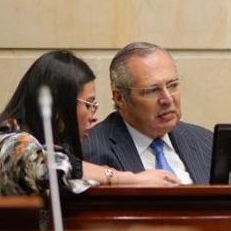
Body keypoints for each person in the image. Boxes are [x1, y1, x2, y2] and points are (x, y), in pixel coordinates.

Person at [0, 50, 178, 196]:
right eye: (88, 105)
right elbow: (58, 168)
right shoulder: (13, 144)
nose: (93, 115)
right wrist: (132, 179)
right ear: (59, 107)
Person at [83, 42, 214, 184]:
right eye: (152, 90)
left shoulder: (207, 142)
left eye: (173, 85)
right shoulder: (89, 150)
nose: (168, 99)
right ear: (120, 98)